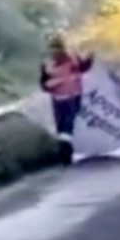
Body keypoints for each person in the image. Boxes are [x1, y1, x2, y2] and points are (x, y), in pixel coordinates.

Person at [40, 34, 93, 166]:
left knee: (67, 124)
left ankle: (65, 152)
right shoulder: (47, 64)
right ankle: (65, 152)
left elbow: (85, 67)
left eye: (58, 48)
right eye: (53, 49)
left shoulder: (72, 59)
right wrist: (51, 85)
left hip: (73, 96)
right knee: (62, 127)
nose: (56, 52)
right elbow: (43, 83)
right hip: (59, 99)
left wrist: (91, 55)